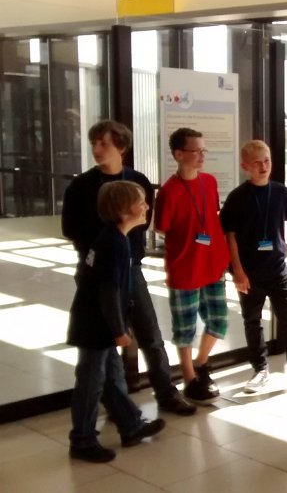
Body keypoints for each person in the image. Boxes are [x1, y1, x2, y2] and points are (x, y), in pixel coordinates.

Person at [62, 120, 196, 416]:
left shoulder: (138, 180)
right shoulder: (81, 186)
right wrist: (108, 239)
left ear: (121, 148)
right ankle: (120, 409)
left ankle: (166, 393)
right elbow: (70, 229)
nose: (97, 149)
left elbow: (143, 223)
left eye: (104, 143)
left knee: (150, 334)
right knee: (104, 343)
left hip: (131, 269)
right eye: (94, 143)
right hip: (94, 271)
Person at [67, 181, 166, 463]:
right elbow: (109, 292)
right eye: (141, 202)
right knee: (91, 383)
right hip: (95, 326)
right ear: (123, 211)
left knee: (109, 377)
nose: (147, 206)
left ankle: (130, 425)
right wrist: (119, 329)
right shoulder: (114, 244)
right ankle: (82, 440)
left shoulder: (114, 238)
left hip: (99, 323)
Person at [220, 140, 287, 394]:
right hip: (249, 271)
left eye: (266, 161)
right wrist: (237, 270)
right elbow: (229, 235)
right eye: (257, 162)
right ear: (245, 166)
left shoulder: (280, 191)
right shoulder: (238, 197)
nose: (263, 166)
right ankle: (260, 370)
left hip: (276, 269)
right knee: (252, 321)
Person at [154, 128, 231, 405]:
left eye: (203, 150)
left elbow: (212, 215)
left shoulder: (209, 182)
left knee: (219, 320)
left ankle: (200, 363)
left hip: (213, 263)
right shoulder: (169, 191)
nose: (201, 155)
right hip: (185, 267)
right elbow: (161, 228)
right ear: (178, 154)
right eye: (195, 150)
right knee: (185, 326)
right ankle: (189, 378)